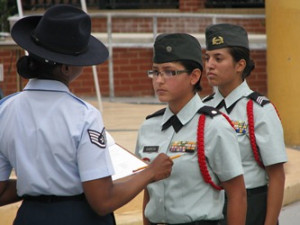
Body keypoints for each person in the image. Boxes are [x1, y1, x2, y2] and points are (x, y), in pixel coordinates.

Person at [0, 4, 174, 225]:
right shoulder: (83, 115)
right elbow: (102, 200)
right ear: (65, 68)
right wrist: (150, 172)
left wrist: (36, 183)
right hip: (77, 216)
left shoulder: (5, 109)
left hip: (29, 216)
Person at [135, 33, 247, 225]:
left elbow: (237, 193)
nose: (159, 80)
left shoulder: (214, 126)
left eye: (169, 72)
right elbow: (149, 191)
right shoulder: (149, 127)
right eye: (155, 72)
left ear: (194, 76)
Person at [203, 23, 287, 225]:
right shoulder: (203, 108)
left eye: (218, 58)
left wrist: (269, 222)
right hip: (211, 205)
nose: (209, 65)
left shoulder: (259, 110)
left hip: (252, 205)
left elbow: (276, 176)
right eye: (207, 58)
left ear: (240, 65)